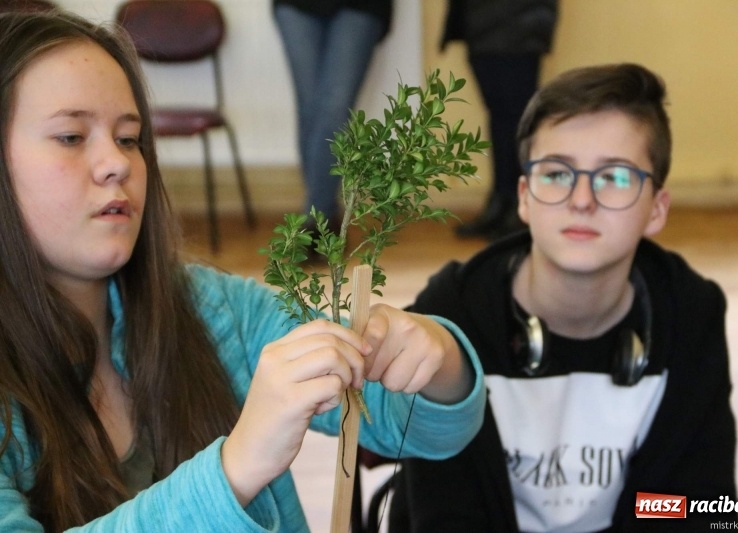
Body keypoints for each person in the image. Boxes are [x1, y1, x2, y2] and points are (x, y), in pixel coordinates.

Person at [0, 11, 486, 532]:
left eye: (129, 138)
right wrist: (236, 468)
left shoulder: (215, 310)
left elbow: (421, 430)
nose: (116, 164)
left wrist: (438, 360)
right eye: (72, 136)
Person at [387, 63, 738, 531]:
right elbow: (443, 514)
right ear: (525, 196)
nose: (581, 200)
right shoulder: (454, 312)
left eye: (614, 177)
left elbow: (695, 507)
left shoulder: (692, 312)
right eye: (556, 173)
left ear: (657, 209)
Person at [442, 0, 559, 240]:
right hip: (479, 21)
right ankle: (502, 200)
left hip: (520, 20)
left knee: (516, 114)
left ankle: (519, 205)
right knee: (500, 115)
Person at [272, 0, 392, 231]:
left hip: (360, 7)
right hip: (295, 6)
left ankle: (315, 220)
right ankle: (323, 216)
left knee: (334, 109)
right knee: (310, 113)